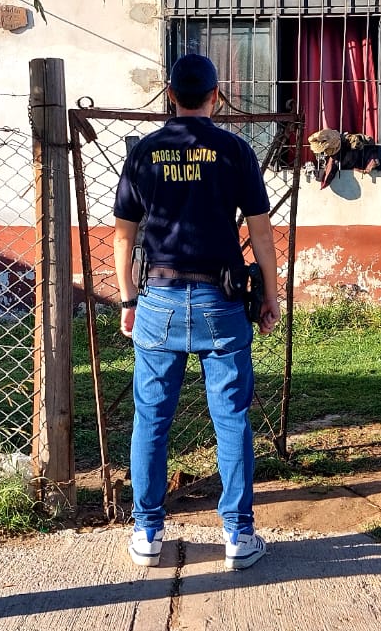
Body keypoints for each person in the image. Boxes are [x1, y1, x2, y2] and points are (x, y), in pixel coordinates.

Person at [111, 53, 282, 571]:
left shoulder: (143, 153)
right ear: (216, 96)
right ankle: (238, 536)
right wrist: (270, 295)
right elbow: (260, 233)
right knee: (231, 418)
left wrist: (128, 299)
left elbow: (123, 236)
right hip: (221, 301)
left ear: (170, 94)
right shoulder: (235, 150)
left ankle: (147, 533)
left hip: (158, 298)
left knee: (151, 418)